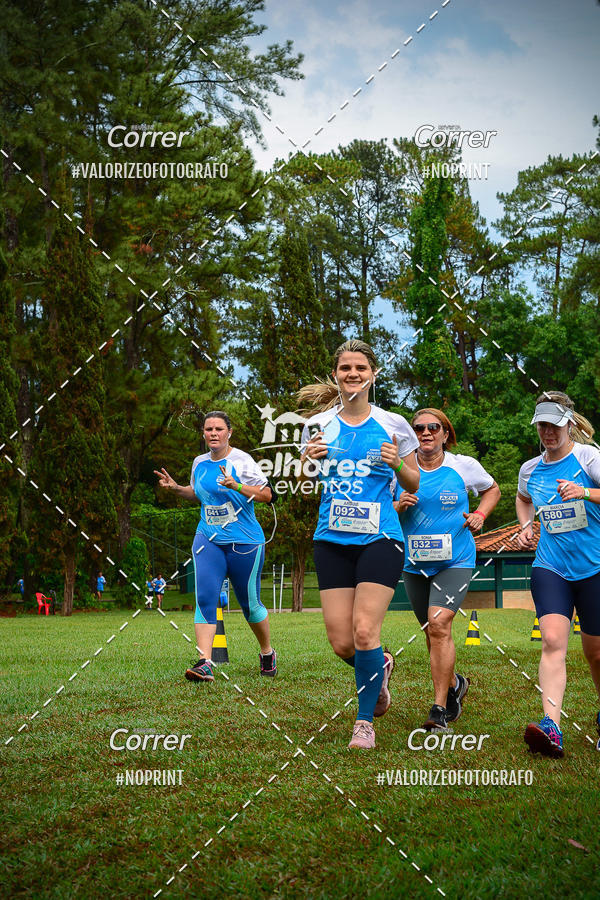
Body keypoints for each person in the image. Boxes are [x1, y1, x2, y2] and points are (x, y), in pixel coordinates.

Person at [299, 339, 420, 750]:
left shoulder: (393, 423)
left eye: (361, 368)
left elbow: (414, 482)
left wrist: (397, 463)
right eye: (345, 368)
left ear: (373, 374)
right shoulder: (318, 425)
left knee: (366, 631)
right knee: (342, 642)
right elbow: (303, 482)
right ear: (336, 375)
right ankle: (379, 666)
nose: (353, 374)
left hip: (380, 537)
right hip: (331, 539)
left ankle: (364, 722)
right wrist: (306, 461)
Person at [395, 409, 500, 732]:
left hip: (456, 560)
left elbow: (492, 489)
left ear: (445, 434)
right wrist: (397, 506)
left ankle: (439, 708)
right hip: (414, 564)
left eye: (433, 427)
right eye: (418, 428)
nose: (425, 433)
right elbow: (382, 509)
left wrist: (480, 514)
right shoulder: (398, 469)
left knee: (439, 624)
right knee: (432, 631)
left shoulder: (462, 465)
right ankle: (455, 683)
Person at [154, 410, 276, 681]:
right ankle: (205, 662)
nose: (213, 433)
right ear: (203, 433)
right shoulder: (199, 463)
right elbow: (198, 494)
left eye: (219, 429)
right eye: (208, 429)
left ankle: (267, 652)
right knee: (205, 597)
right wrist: (176, 488)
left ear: (229, 432)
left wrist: (237, 485)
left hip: (244, 542)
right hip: (207, 539)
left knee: (250, 605)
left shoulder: (242, 461)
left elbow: (268, 495)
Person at [516, 391, 600, 757]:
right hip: (551, 567)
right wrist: (525, 526)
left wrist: (585, 492)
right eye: (542, 426)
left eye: (555, 425)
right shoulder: (530, 469)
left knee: (596, 654)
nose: (549, 432)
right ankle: (551, 726)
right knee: (551, 641)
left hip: (594, 568)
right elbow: (523, 498)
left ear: (569, 423)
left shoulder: (588, 458)